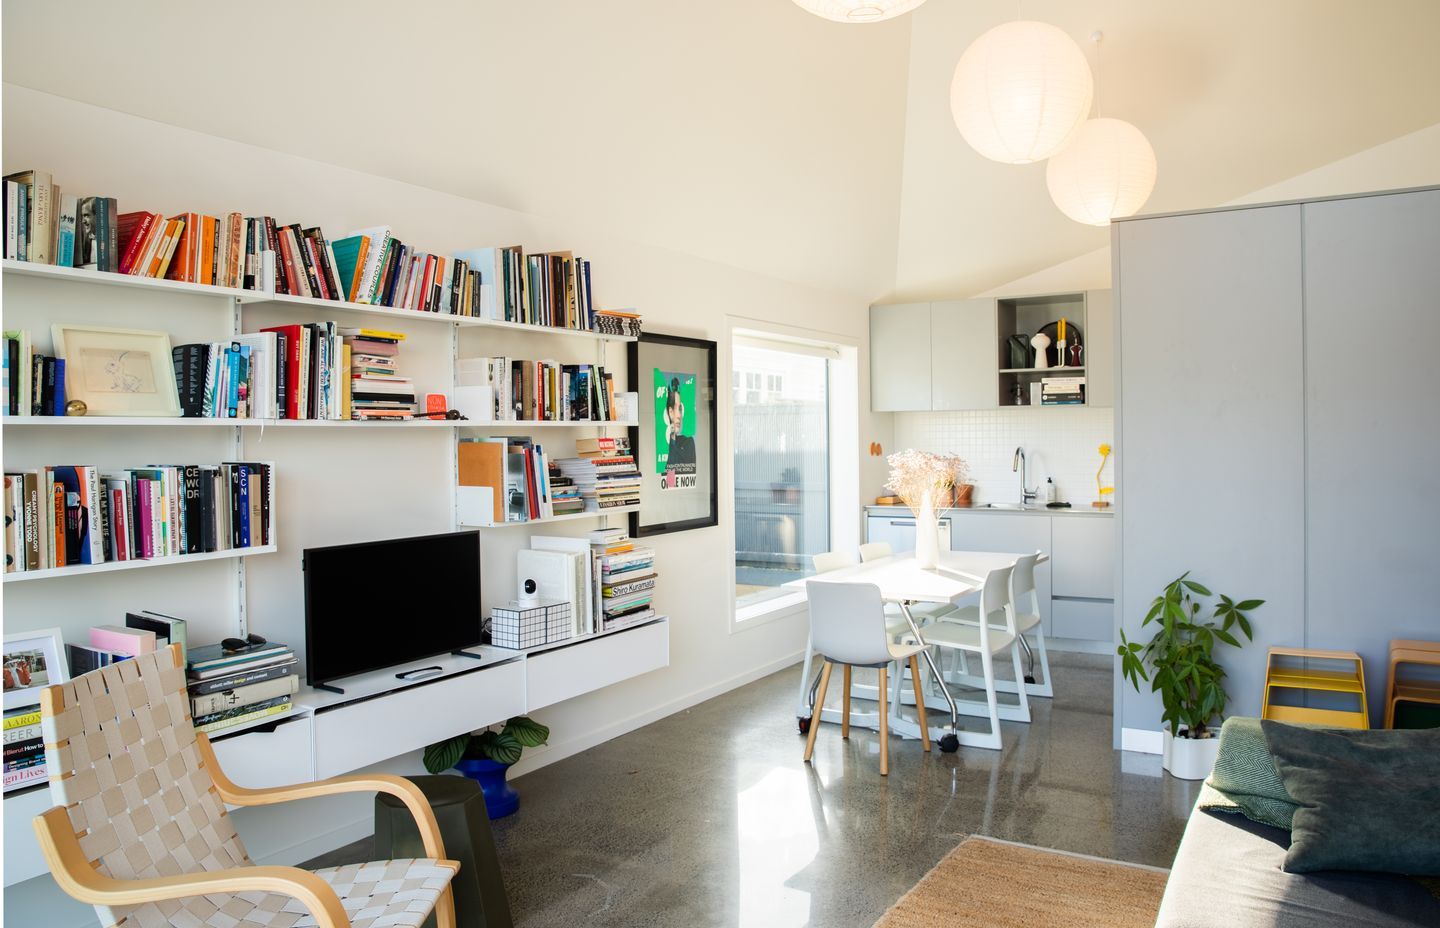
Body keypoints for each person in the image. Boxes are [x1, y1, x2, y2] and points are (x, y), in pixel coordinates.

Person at [664, 376, 696, 471]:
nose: (679, 415)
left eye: (680, 409)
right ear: (670, 412)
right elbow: (669, 481)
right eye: (675, 408)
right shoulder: (664, 446)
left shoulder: (688, 443)